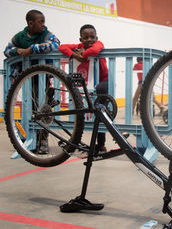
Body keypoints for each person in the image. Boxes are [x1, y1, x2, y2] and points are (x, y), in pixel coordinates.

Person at [4, 9, 60, 154]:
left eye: (44, 22)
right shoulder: (20, 36)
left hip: (43, 79)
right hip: (27, 80)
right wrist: (19, 51)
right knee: (31, 110)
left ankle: (43, 139)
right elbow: (7, 50)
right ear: (30, 23)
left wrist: (33, 49)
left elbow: (56, 44)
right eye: (40, 22)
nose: (43, 25)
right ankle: (31, 138)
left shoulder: (46, 34)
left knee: (44, 109)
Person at [59, 24, 108, 155]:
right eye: (85, 37)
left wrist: (83, 54)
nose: (89, 40)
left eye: (92, 37)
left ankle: (101, 145)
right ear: (80, 39)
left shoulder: (98, 44)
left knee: (99, 112)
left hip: (103, 82)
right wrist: (74, 55)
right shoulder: (78, 47)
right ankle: (75, 140)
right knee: (80, 111)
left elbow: (95, 50)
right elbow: (62, 47)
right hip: (88, 84)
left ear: (96, 37)